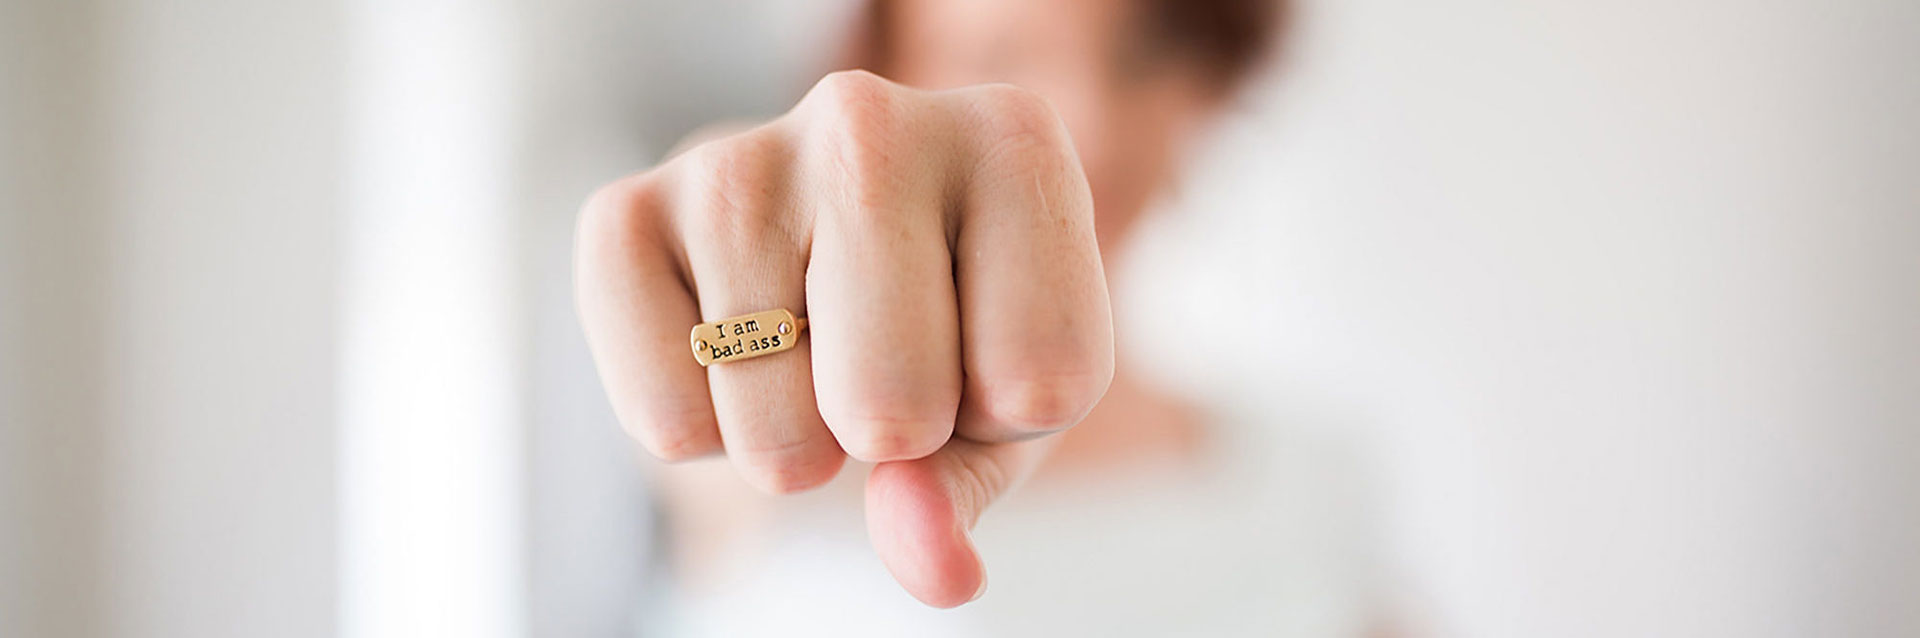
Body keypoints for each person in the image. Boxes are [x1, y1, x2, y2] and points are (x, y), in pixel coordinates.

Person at [576, 0, 1368, 633]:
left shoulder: (1315, 469)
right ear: (877, 80)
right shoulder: (795, 458)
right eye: (998, 59)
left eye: (1146, 56)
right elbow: (704, 462)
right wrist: (716, 256)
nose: (1087, 122)